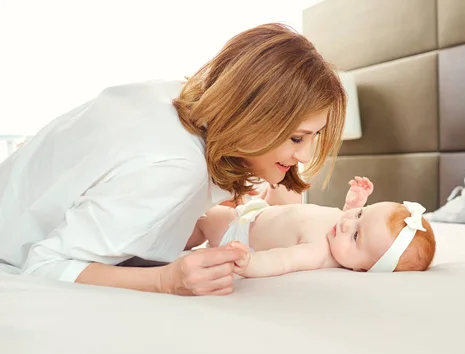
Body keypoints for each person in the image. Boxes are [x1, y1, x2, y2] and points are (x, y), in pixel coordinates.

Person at [0, 23, 347, 296]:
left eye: (314, 137)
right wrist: (167, 280)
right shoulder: (176, 165)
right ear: (253, 115)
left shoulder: (170, 96)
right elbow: (44, 265)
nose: (304, 155)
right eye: (297, 138)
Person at [194, 177, 437, 277]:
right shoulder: (342, 229)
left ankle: (187, 232)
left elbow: (282, 260)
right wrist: (353, 203)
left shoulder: (318, 253)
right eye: (362, 213)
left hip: (240, 228)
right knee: (288, 186)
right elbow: (346, 218)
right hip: (265, 213)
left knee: (204, 216)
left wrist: (250, 264)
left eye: (355, 235)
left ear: (362, 268)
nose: (346, 223)